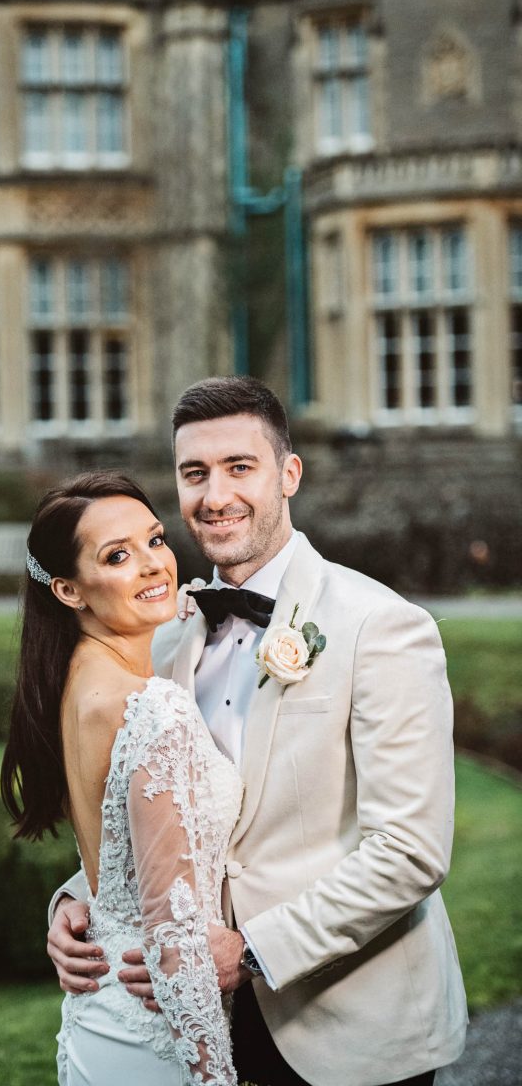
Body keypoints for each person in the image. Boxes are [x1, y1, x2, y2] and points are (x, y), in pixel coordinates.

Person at [47, 377, 468, 1086]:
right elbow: (172, 813)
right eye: (194, 473)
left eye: (239, 467)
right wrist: (79, 902)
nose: (215, 496)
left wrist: (248, 951)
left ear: (289, 474)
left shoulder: (381, 626)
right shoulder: (168, 633)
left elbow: (410, 851)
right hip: (202, 1019)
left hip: (346, 1023)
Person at [1, 472, 242, 1085]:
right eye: (117, 556)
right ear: (68, 589)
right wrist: (212, 1075)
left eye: (155, 540)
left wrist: (69, 901)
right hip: (154, 1034)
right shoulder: (152, 707)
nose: (153, 564)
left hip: (96, 1022)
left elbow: (114, 856)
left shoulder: (70, 684)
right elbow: (173, 928)